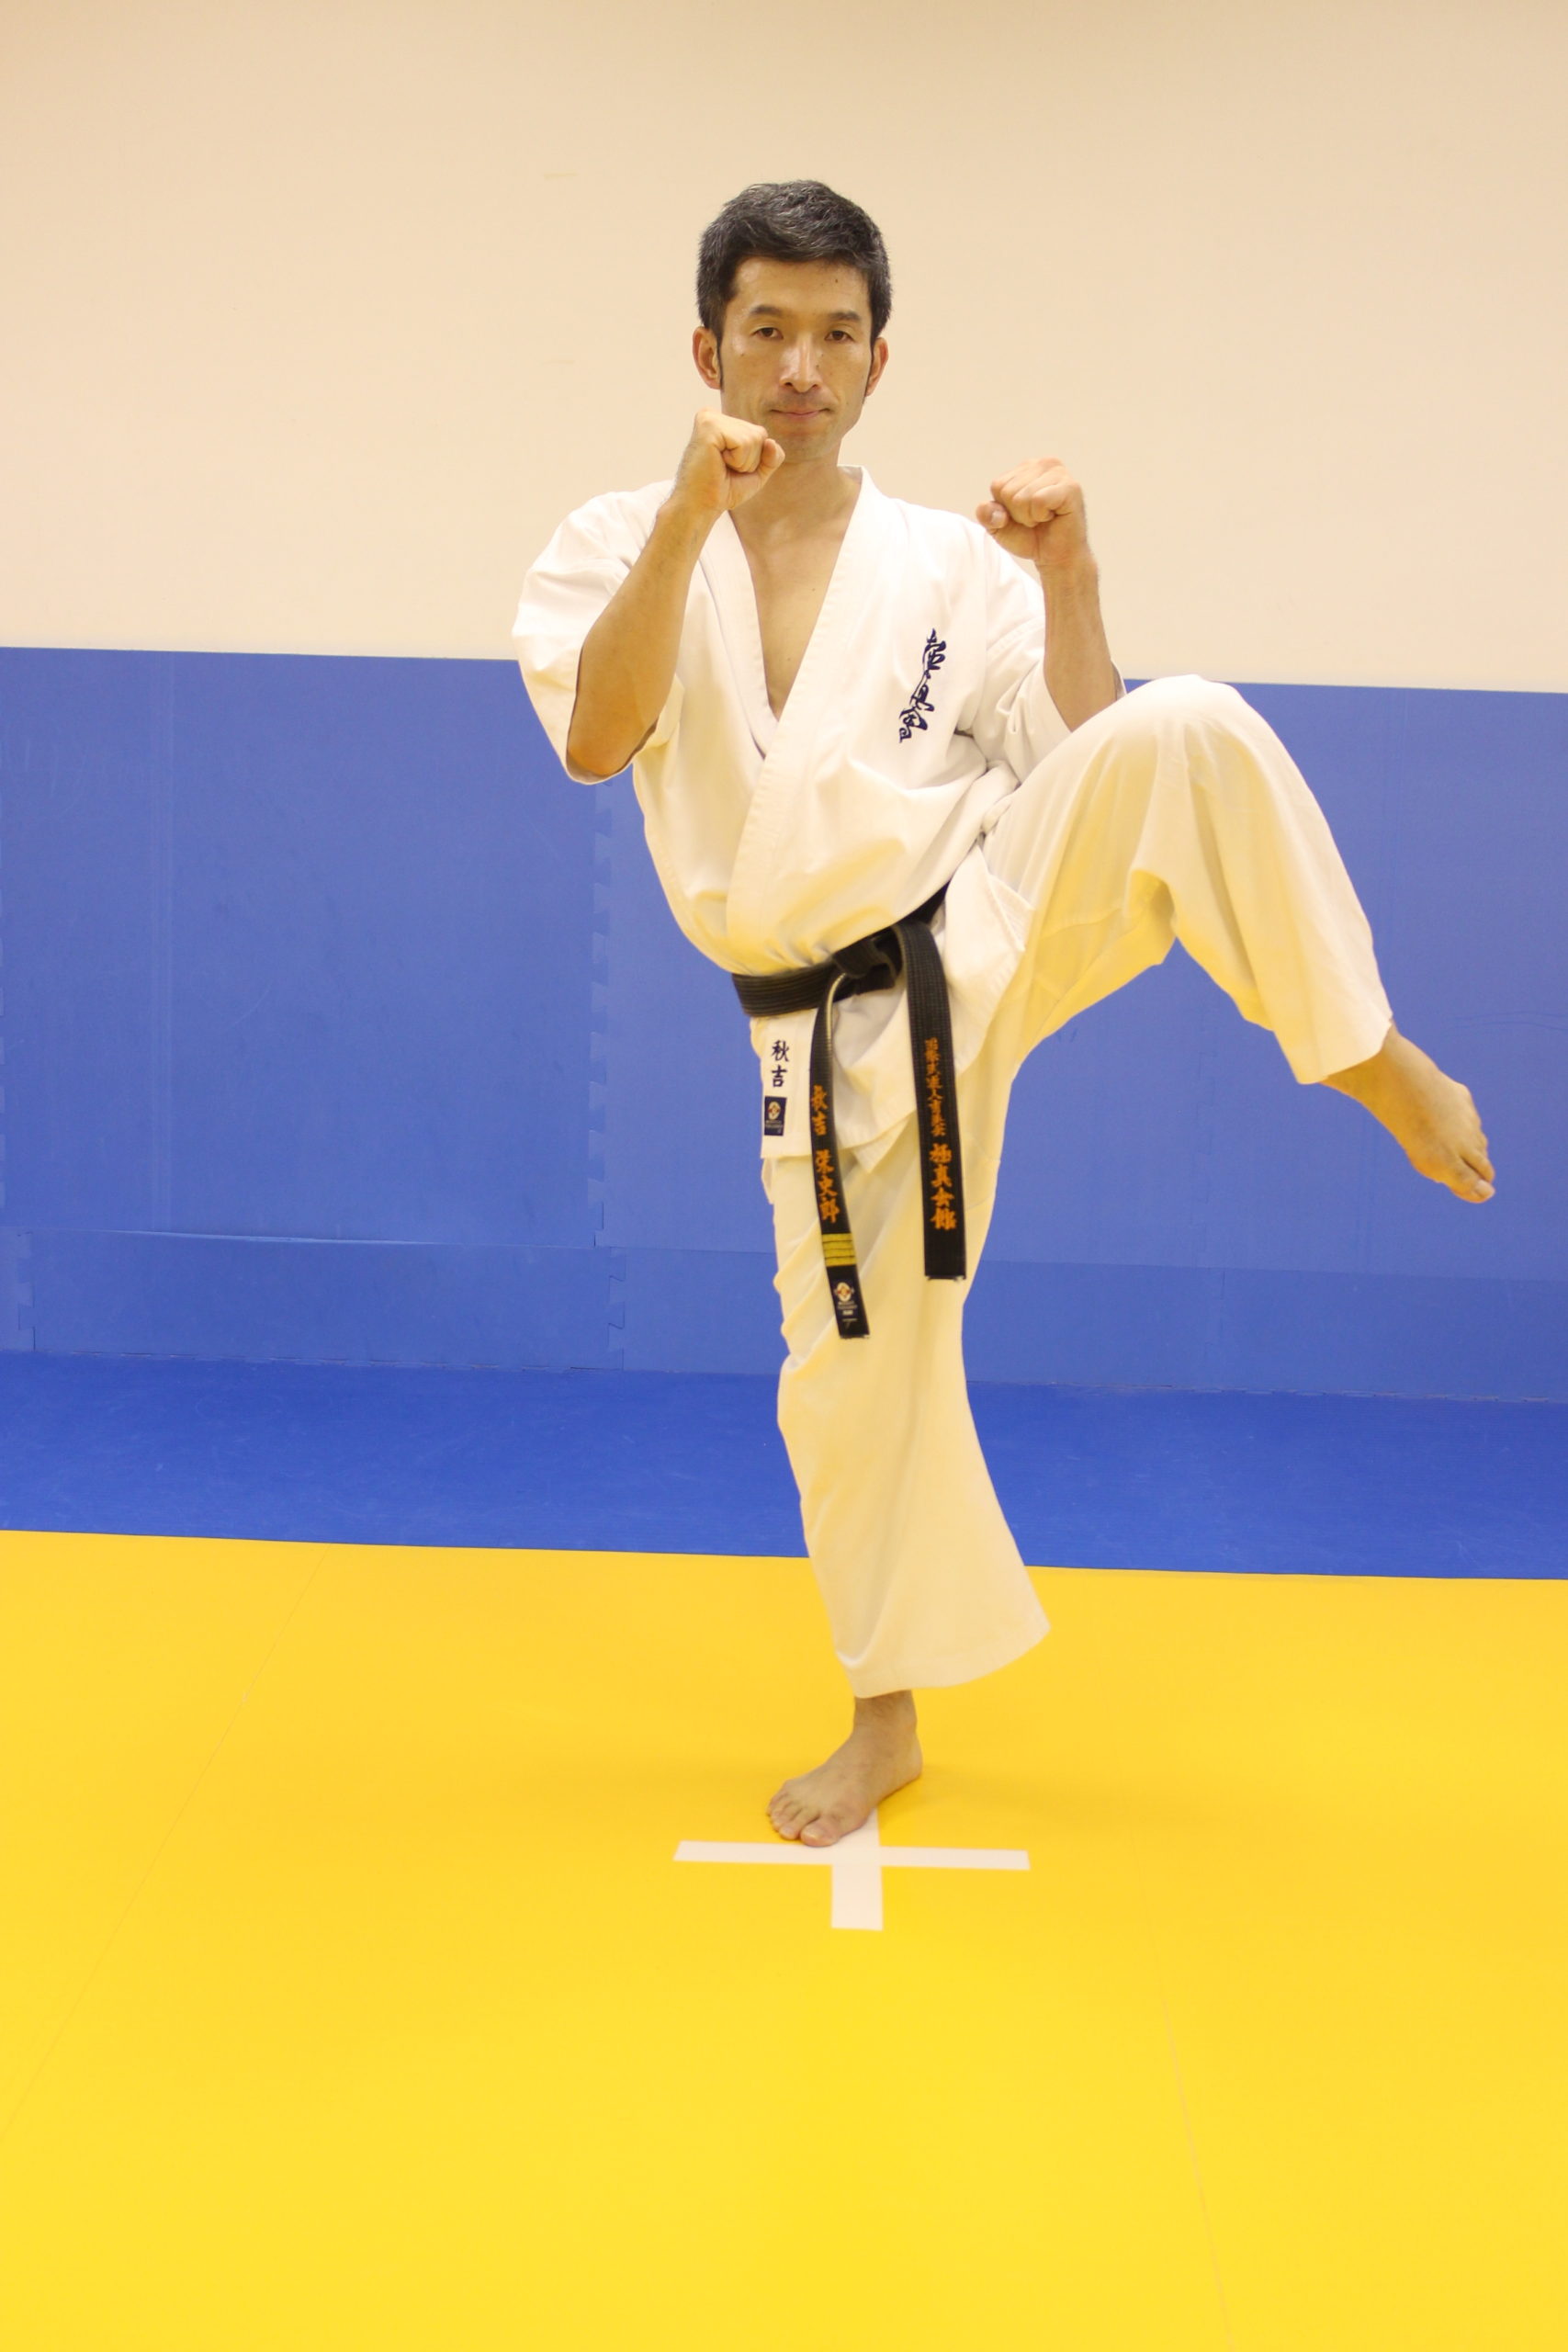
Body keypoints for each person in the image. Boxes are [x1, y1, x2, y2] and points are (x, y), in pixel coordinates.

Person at [513, 181, 1494, 1849]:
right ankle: (885, 1721)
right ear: (708, 351)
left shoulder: (952, 566)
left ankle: (1365, 1052)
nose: (800, 367)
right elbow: (600, 741)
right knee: (850, 1379)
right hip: (821, 1028)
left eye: (835, 334)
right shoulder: (616, 541)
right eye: (767, 330)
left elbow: (1095, 761)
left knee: (1192, 726)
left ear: (878, 360)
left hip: (984, 918)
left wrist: (1073, 575)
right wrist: (687, 517)